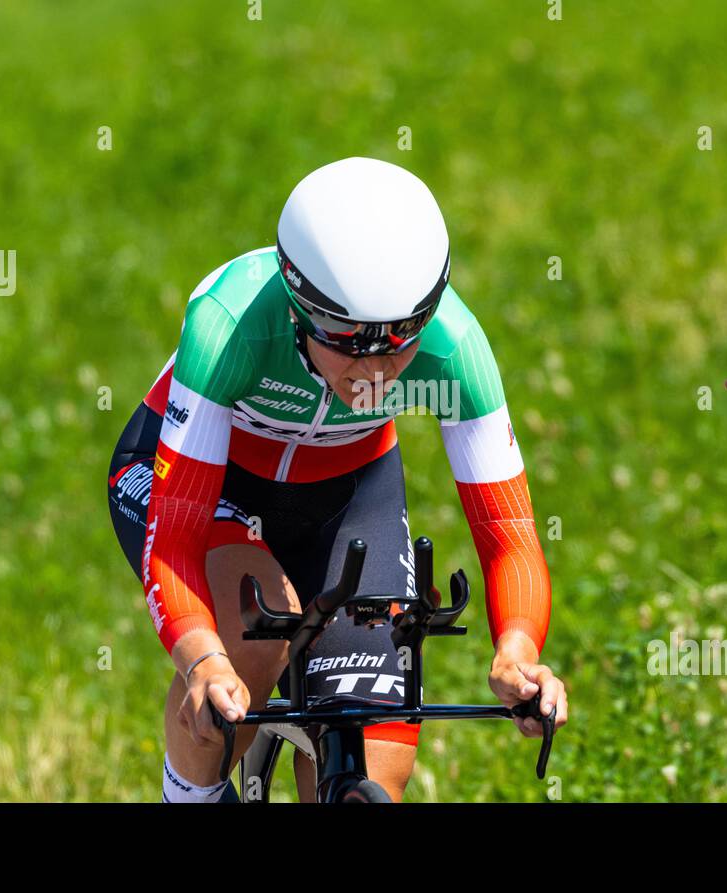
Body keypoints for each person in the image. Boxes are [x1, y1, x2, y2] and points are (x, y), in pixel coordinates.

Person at [108, 157, 567, 802]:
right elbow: (176, 540)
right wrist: (203, 659)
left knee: (373, 752)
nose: (374, 366)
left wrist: (517, 651)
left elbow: (509, 535)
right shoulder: (233, 321)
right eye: (347, 340)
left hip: (349, 495)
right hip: (212, 487)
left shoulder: (455, 348)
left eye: (402, 339)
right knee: (247, 644)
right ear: (299, 307)